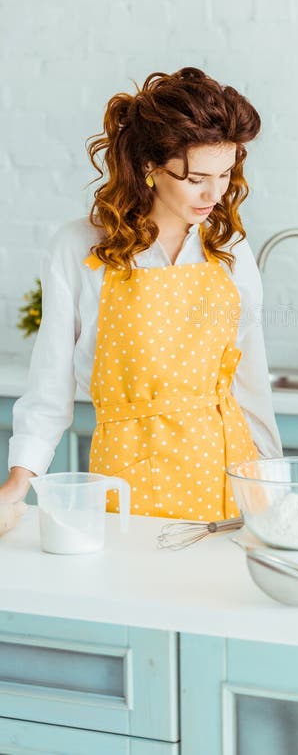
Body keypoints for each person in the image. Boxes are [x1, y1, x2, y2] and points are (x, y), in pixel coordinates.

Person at [2, 67, 282, 519]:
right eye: (195, 179)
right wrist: (18, 482)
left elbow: (250, 377)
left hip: (228, 473)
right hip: (127, 478)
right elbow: (50, 384)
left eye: (226, 174)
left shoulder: (229, 247)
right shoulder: (80, 248)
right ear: (149, 166)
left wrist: (272, 489)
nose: (215, 193)